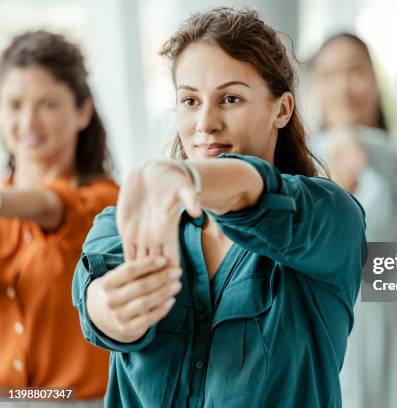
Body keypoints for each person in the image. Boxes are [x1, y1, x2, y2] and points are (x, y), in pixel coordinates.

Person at [72, 7, 366, 407]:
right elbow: (97, 305)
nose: (205, 122)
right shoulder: (125, 223)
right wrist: (110, 310)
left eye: (230, 98)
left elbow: (252, 187)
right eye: (189, 100)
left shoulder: (329, 216)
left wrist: (189, 177)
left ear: (282, 109)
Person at [309, 33, 397, 408]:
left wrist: (349, 141)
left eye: (355, 72)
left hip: (383, 335)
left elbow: (392, 159)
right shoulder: (299, 163)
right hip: (317, 330)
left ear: (376, 81)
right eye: (329, 75)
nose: (343, 86)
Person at [0, 31, 118, 402]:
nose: (28, 121)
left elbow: (53, 206)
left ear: (82, 111)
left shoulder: (105, 204)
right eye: (15, 104)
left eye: (47, 104)